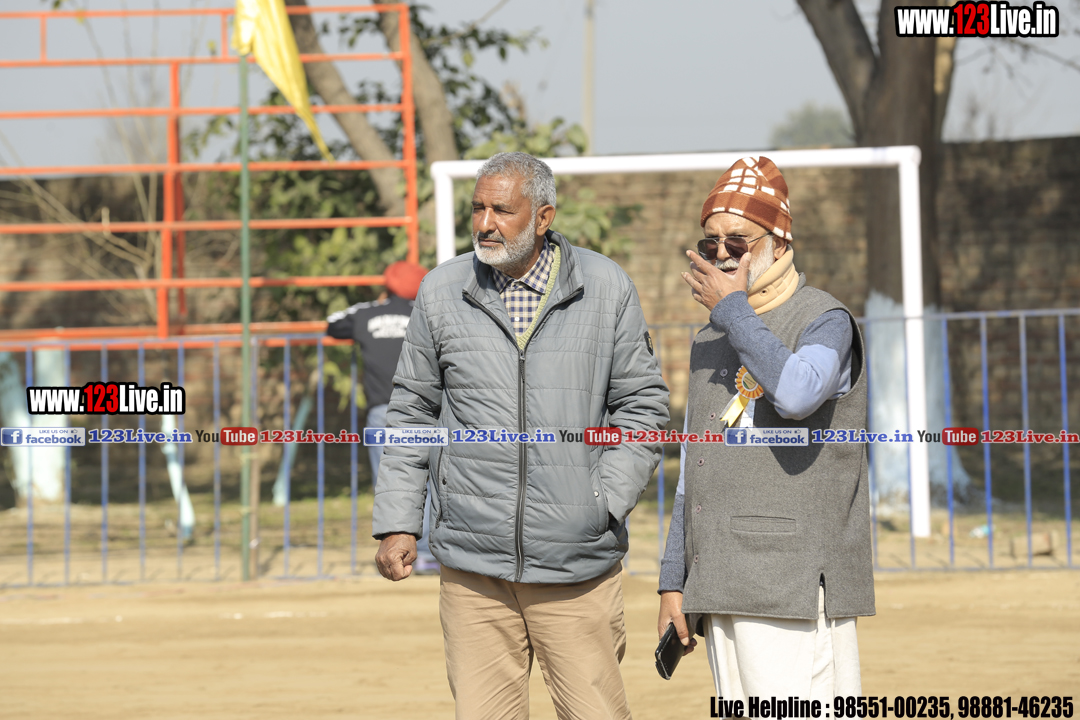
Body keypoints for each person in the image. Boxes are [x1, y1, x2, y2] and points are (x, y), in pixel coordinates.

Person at [373, 151, 669, 720]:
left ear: (543, 217)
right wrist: (398, 522)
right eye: (478, 208)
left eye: (502, 210)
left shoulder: (604, 286)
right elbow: (412, 411)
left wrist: (601, 502)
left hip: (575, 566)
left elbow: (642, 406)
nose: (485, 223)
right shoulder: (441, 290)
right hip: (473, 571)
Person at [657, 156, 874, 701]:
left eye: (738, 240)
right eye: (710, 242)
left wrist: (733, 311)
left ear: (778, 243)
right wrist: (673, 579)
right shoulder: (711, 337)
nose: (722, 253)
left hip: (792, 583)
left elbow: (799, 394)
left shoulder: (824, 319)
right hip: (718, 579)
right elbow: (694, 469)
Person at [326, 260, 438, 572]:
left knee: (390, 481)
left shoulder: (366, 314)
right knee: (432, 478)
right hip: (426, 410)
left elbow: (333, 324)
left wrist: (376, 305)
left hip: (383, 411)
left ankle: (406, 549)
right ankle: (431, 551)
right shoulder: (426, 312)